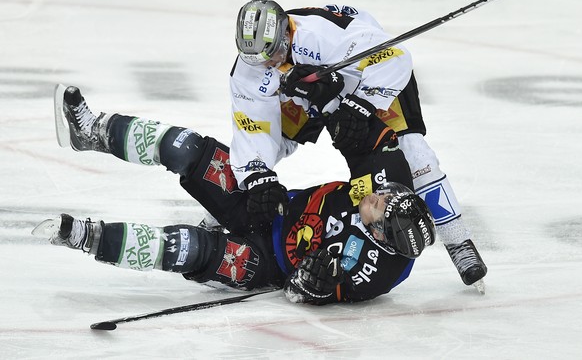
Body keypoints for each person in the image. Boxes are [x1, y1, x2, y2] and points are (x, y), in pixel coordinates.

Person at [33, 85, 435, 305]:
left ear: (380, 234)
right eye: (386, 193)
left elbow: (301, 291)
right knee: (187, 149)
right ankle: (93, 132)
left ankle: (86, 238)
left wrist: (310, 285)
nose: (378, 194)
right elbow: (365, 137)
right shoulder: (390, 184)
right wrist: (341, 110)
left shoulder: (378, 272)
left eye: (380, 205)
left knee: (186, 249)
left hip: (267, 264)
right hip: (272, 205)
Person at [229, 0, 487, 288]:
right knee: (264, 154)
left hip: (368, 81)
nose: (269, 64)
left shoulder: (323, 35)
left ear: (285, 32)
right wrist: (256, 178)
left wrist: (360, 105)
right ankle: (218, 211)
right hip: (310, 90)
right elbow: (253, 127)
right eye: (258, 60)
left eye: (273, 53)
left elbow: (395, 57)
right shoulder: (251, 65)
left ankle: (458, 242)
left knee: (414, 152)